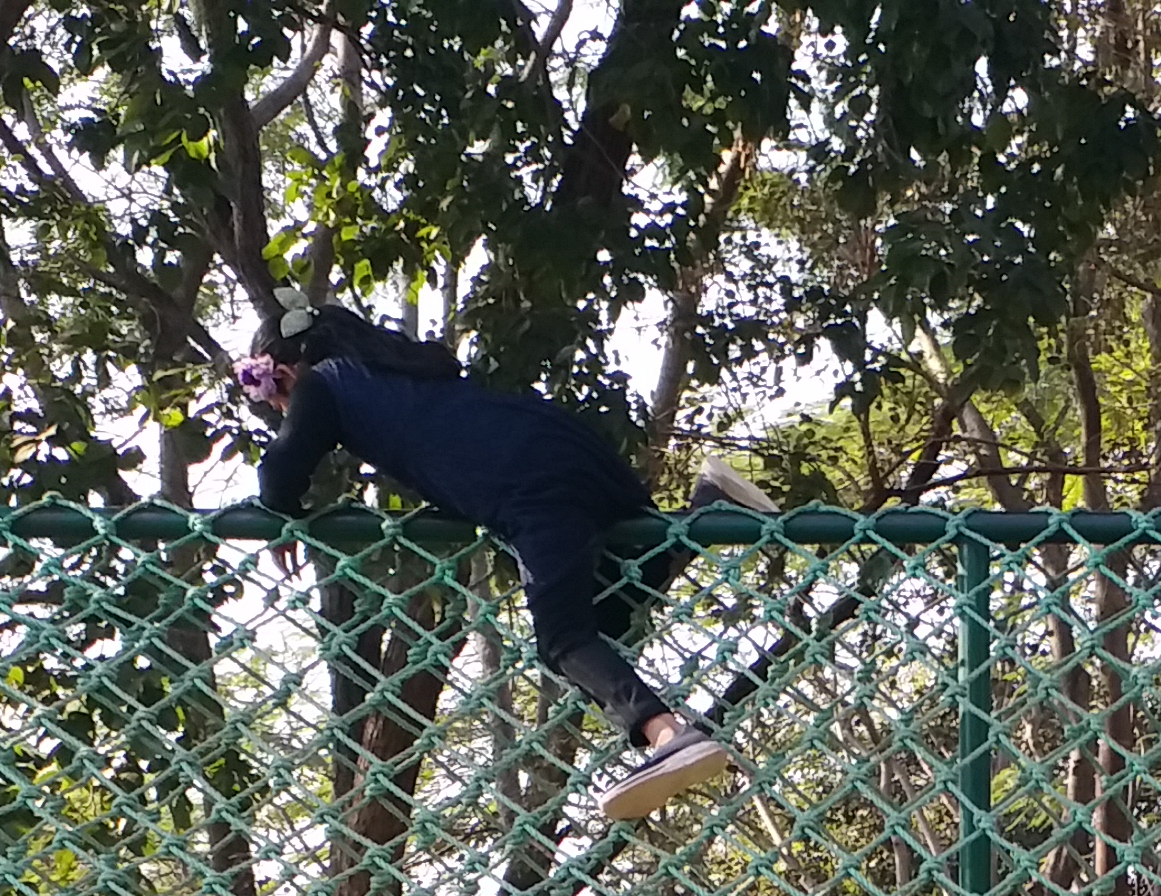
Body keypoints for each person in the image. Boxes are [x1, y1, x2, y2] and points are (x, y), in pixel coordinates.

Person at [236, 307, 772, 824]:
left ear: (279, 373)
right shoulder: (396, 369)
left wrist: (277, 513)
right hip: (572, 448)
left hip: (528, 485)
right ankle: (710, 507)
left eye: (274, 397)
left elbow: (284, 465)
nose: (281, 408)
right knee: (610, 612)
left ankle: (667, 735)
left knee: (562, 640)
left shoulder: (325, 382)